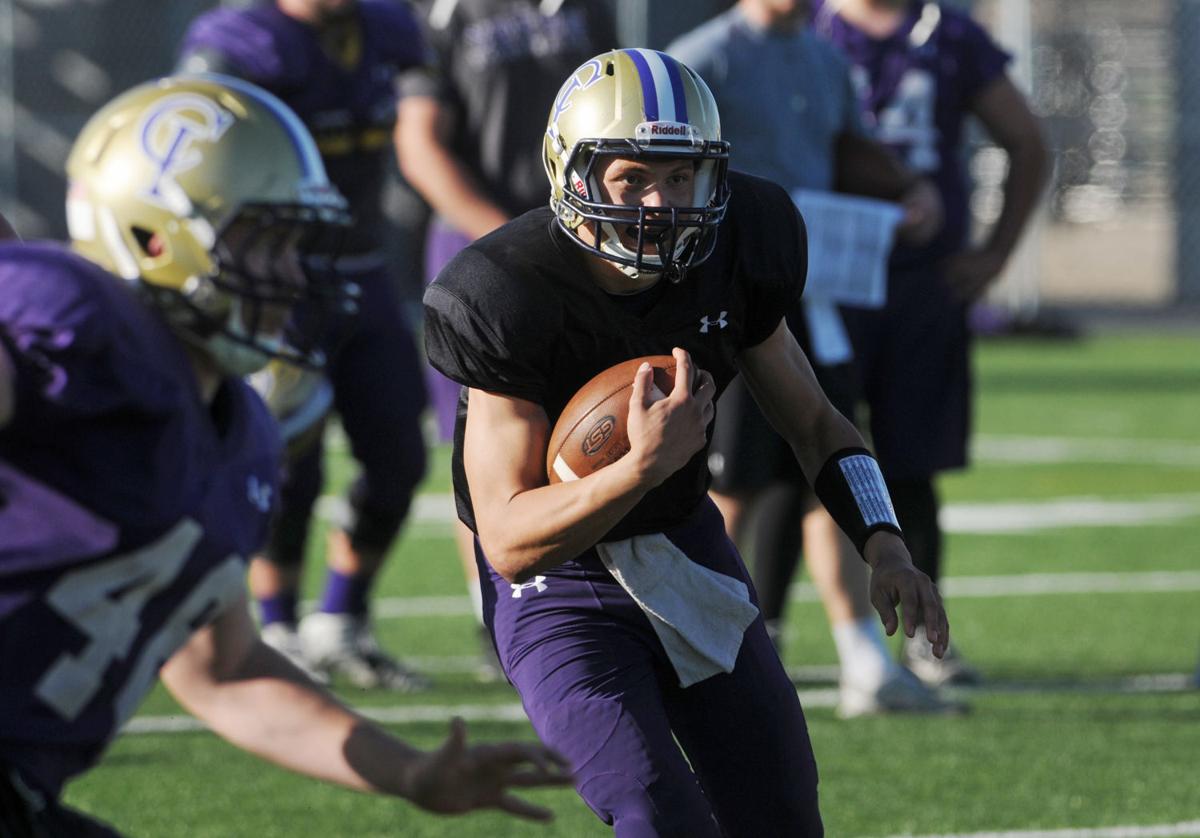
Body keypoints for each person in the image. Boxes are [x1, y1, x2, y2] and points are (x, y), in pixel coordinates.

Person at [0, 74, 572, 837]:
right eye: (262, 243)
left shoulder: (240, 431)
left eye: (294, 246)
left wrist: (405, 770)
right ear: (152, 235)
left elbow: (226, 672)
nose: (291, 276)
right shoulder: (72, 317)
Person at [423, 48, 950, 835]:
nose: (659, 204)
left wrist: (886, 544)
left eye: (681, 178)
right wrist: (640, 466)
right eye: (630, 178)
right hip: (561, 588)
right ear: (569, 173)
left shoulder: (746, 239)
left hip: (686, 548)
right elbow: (505, 538)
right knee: (654, 809)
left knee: (780, 813)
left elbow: (816, 422)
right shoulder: (502, 290)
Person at [667, 0, 957, 718]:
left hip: (810, 290)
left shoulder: (826, 57)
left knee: (825, 463)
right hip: (725, 296)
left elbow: (848, 149)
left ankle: (863, 655)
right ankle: (686, 651)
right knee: (726, 482)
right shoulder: (703, 57)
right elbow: (668, 171)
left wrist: (907, 188)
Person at [177, 0, 433, 690]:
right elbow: (190, 153)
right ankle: (278, 626)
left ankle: (341, 620)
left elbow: (428, 105)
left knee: (401, 456)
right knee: (289, 458)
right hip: (277, 274)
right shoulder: (241, 40)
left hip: (364, 265)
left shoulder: (387, 23)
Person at [813, 0, 1048, 686]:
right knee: (797, 459)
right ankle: (771, 628)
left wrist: (996, 255)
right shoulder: (808, 29)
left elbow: (1027, 141)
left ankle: (924, 639)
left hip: (920, 288)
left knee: (911, 465)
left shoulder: (948, 34)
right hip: (826, 282)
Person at [395, 0, 618, 678]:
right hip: (485, 252)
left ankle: (600, 608)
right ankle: (498, 615)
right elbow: (420, 144)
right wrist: (506, 239)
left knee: (594, 430)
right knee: (485, 449)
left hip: (586, 239)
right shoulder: (442, 11)